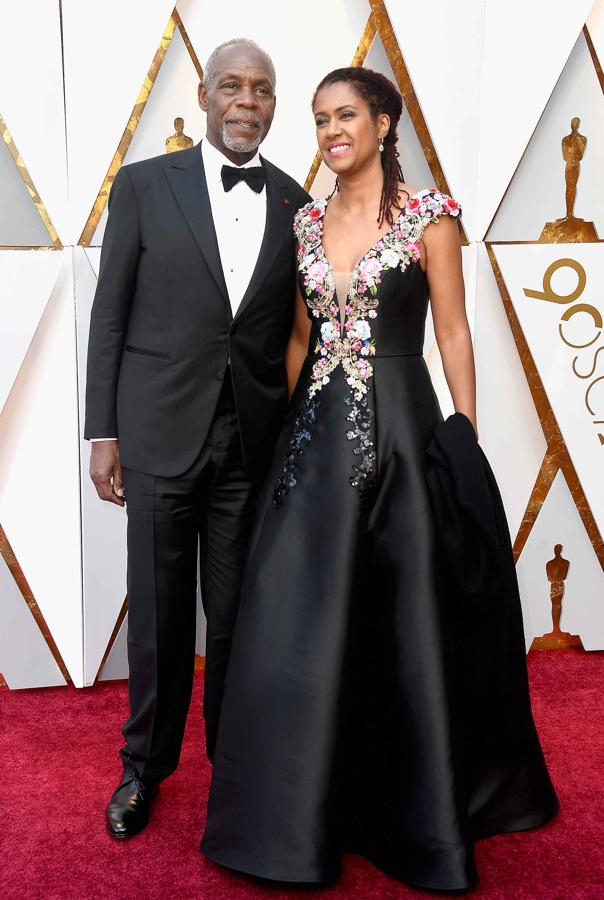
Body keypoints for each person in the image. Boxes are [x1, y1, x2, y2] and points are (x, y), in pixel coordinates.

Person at [201, 67, 559, 892]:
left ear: (385, 123)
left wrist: (462, 434)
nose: (332, 131)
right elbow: (299, 337)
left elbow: (456, 331)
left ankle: (411, 814)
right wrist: (295, 431)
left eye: (348, 115)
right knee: (300, 613)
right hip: (315, 439)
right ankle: (295, 815)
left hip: (402, 429)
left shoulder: (430, 217)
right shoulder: (305, 221)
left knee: (405, 614)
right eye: (323, 118)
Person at [84, 38, 309, 839]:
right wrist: (102, 431)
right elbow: (109, 313)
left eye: (263, 90)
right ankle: (143, 769)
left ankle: (237, 769)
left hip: (251, 442)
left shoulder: (295, 201)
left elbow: (295, 329)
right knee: (159, 613)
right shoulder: (144, 185)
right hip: (155, 433)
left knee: (241, 615)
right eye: (233, 87)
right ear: (206, 93)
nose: (248, 102)